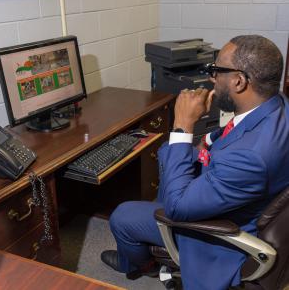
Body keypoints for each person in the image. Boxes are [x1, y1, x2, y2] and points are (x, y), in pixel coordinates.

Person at [101, 35, 289, 290]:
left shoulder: (250, 157)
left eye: (216, 70)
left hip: (221, 230)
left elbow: (178, 208)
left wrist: (182, 125)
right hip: (235, 191)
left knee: (122, 216)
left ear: (239, 81)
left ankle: (141, 266)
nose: (211, 78)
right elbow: (237, 132)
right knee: (173, 153)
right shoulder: (278, 106)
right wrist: (207, 142)